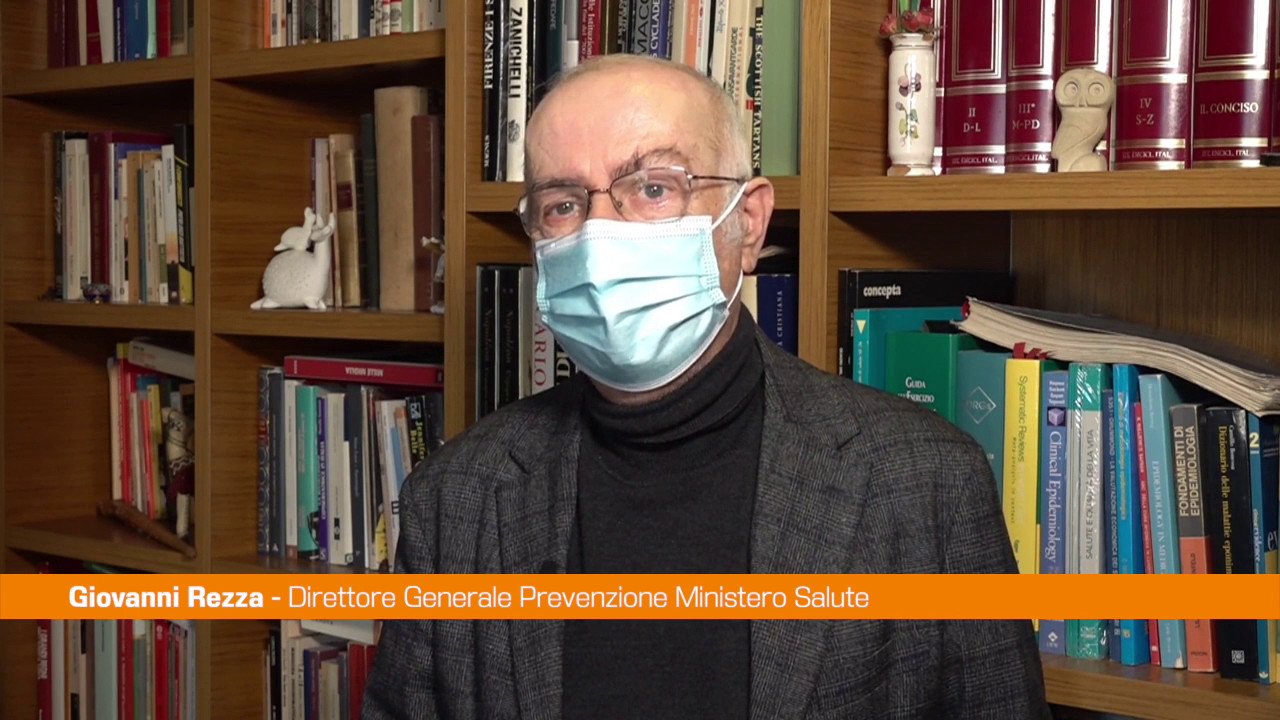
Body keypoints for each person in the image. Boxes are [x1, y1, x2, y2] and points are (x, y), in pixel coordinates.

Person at [362, 54, 1050, 719]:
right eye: (564, 204)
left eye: (653, 188)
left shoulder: (926, 482)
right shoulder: (454, 499)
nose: (600, 236)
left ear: (747, 224)